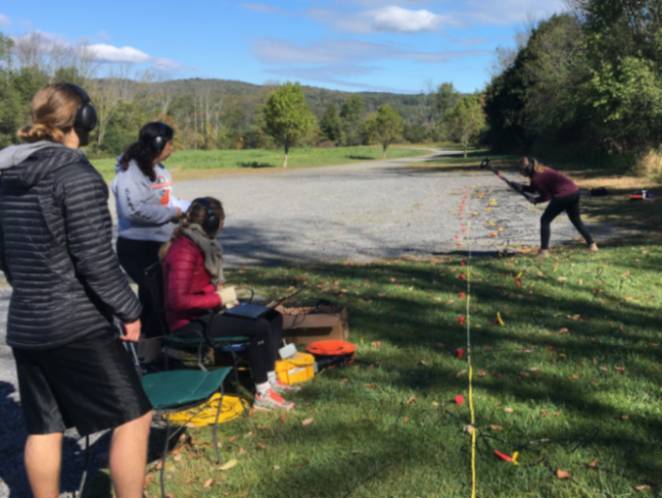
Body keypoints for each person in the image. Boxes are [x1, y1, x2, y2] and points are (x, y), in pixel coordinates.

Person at [0, 83, 152, 498]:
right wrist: (131, 310)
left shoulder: (5, 177)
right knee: (133, 416)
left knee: (44, 426)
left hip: (27, 322)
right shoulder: (76, 175)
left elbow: (7, 257)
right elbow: (96, 261)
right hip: (76, 324)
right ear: (83, 120)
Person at [161, 197, 296, 411]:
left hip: (207, 312)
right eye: (222, 220)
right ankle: (262, 394)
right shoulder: (184, 251)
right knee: (257, 328)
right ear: (212, 223)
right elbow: (177, 301)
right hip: (188, 324)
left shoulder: (202, 243)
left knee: (272, 317)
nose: (223, 225)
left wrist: (221, 294)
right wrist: (219, 298)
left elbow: (200, 285)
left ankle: (270, 380)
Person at [112, 122, 188, 336]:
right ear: (158, 143)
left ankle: (153, 347)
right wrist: (172, 213)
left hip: (160, 243)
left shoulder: (161, 171)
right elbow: (134, 210)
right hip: (137, 246)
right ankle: (155, 347)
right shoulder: (130, 173)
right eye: (170, 143)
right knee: (156, 297)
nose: (172, 148)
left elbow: (165, 200)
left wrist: (184, 207)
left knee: (156, 296)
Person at [518, 157, 598, 257]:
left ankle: (544, 251)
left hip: (563, 196)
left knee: (545, 220)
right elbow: (534, 188)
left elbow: (546, 196)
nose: (521, 173)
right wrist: (521, 187)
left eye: (521, 171)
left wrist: (535, 200)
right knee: (576, 220)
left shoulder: (536, 177)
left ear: (527, 170)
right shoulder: (542, 170)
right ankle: (592, 245)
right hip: (574, 192)